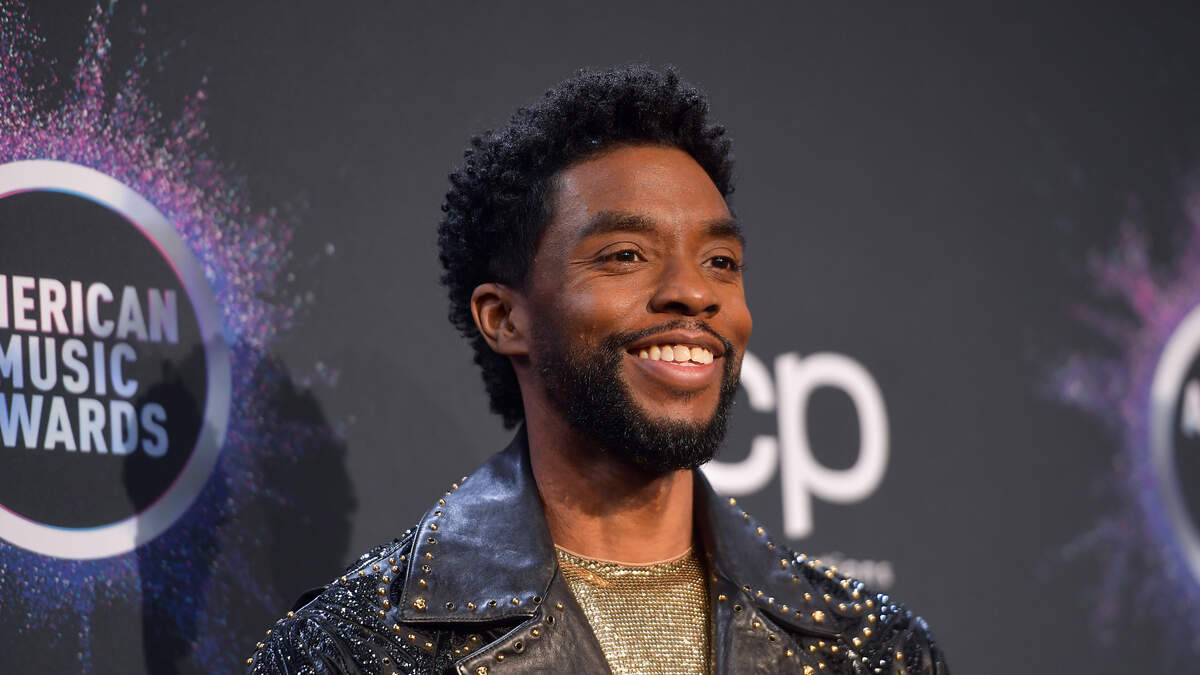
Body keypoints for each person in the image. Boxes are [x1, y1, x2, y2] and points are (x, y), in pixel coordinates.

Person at [246, 65, 948, 675]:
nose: (694, 292)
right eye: (625, 255)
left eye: (721, 261)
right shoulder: (357, 650)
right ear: (505, 318)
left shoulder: (871, 650)